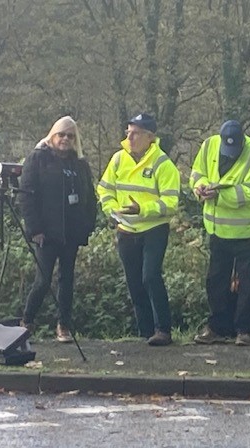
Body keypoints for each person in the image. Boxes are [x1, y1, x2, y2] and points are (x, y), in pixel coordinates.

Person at [97, 113, 180, 346]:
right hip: (125, 230)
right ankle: (145, 332)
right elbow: (104, 189)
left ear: (150, 137)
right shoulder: (118, 159)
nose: (130, 138)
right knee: (134, 281)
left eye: (135, 134)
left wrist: (141, 209)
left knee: (150, 276)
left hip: (153, 229)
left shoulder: (163, 164)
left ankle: (163, 329)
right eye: (128, 133)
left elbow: (171, 203)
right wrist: (112, 210)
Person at [19, 116, 97, 343]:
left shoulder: (80, 164)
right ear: (52, 135)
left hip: (71, 233)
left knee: (67, 279)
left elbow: (89, 197)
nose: (65, 139)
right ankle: (27, 321)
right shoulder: (37, 159)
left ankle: (64, 325)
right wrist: (34, 229)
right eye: (61, 134)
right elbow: (26, 197)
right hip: (46, 232)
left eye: (70, 136)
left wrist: (88, 225)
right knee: (43, 280)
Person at [190, 120, 250, 346]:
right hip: (217, 229)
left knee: (246, 283)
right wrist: (201, 188)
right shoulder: (209, 146)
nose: (230, 155)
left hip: (246, 230)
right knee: (215, 280)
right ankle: (217, 327)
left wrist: (219, 196)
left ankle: (243, 329)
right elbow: (196, 174)